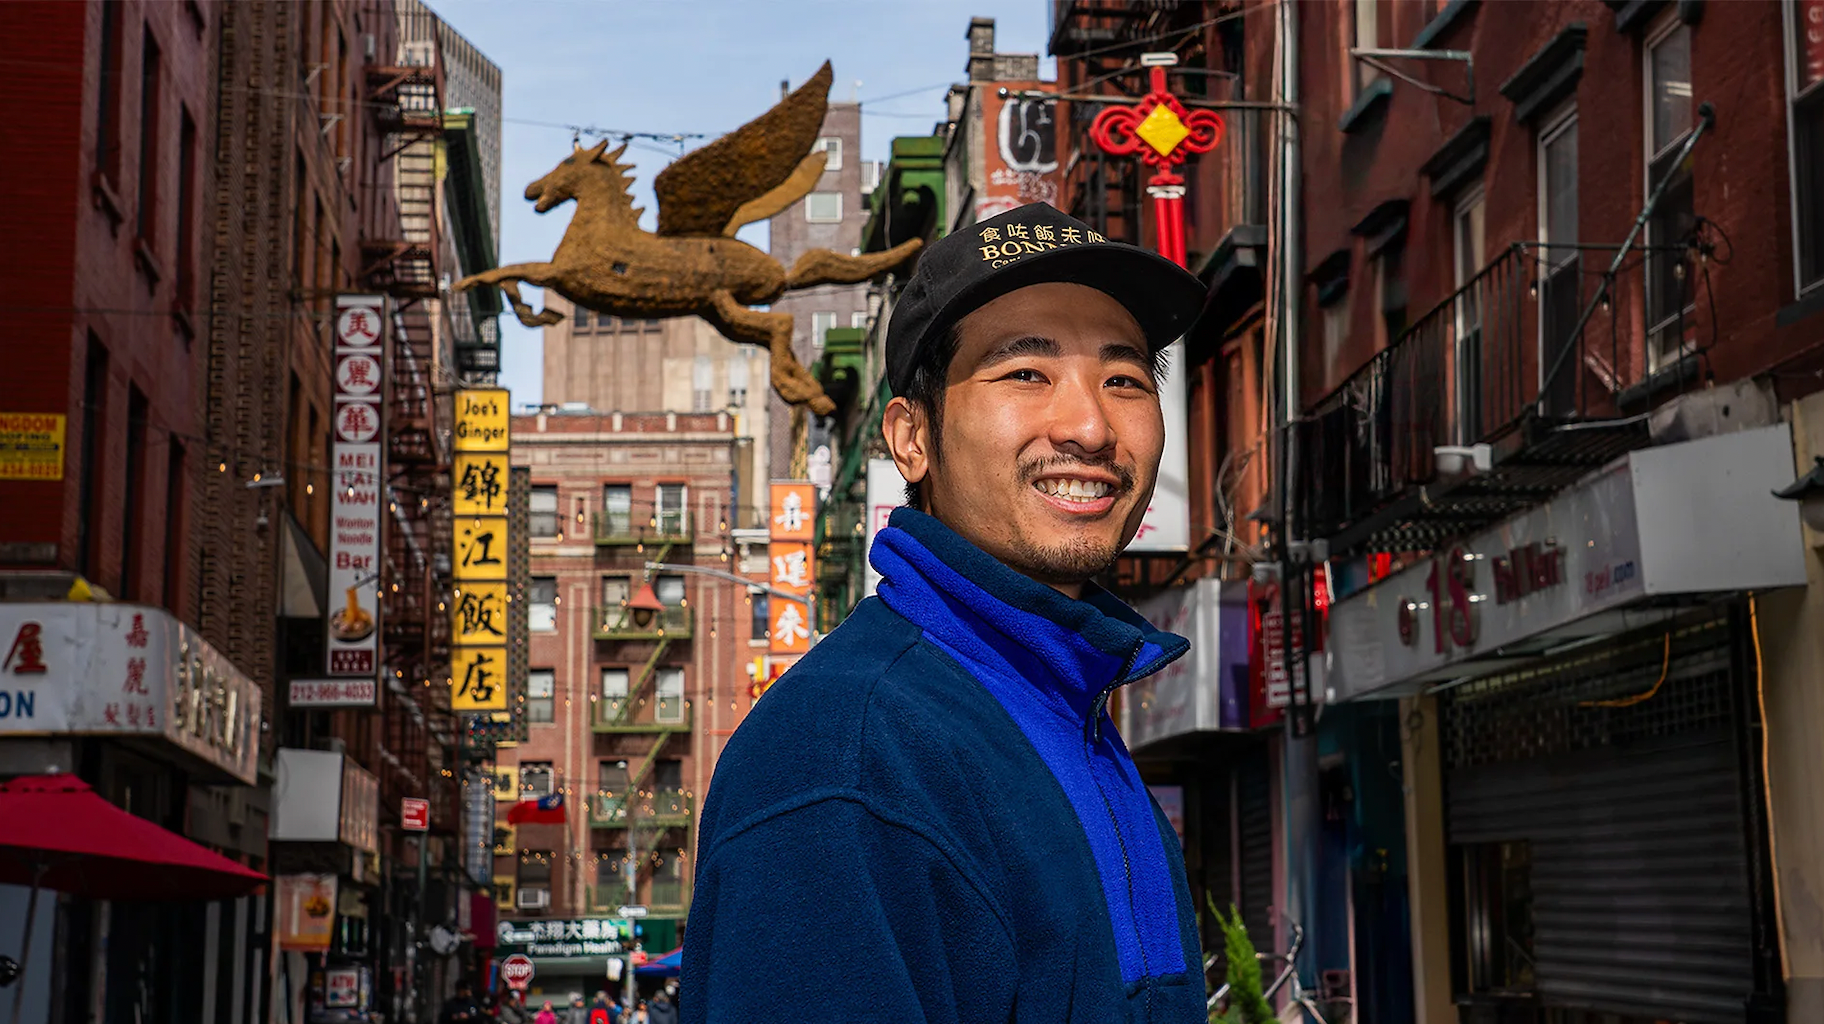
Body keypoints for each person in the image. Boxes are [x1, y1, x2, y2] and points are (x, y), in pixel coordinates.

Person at [680, 202, 1209, 1022]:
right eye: (1025, 373)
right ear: (912, 437)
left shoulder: (1065, 711)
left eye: (1125, 380)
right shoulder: (845, 757)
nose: (1091, 426)